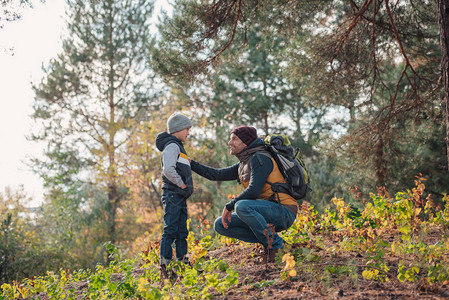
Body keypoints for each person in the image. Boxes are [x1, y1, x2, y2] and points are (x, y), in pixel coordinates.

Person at [190, 126, 297, 263]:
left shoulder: (260, 159)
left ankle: (276, 246)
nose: (230, 143)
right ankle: (274, 243)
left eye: (234, 139)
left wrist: (230, 206)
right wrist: (190, 163)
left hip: (284, 211)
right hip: (265, 212)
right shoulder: (245, 163)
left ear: (245, 142)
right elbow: (216, 174)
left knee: (241, 206)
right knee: (221, 225)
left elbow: (253, 190)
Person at [155, 112, 193, 278]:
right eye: (187, 129)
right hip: (172, 194)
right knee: (170, 228)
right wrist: (182, 184)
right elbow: (168, 169)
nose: (188, 133)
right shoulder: (172, 146)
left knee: (181, 230)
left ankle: (183, 261)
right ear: (178, 129)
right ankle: (166, 264)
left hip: (179, 196)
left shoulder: (178, 146)